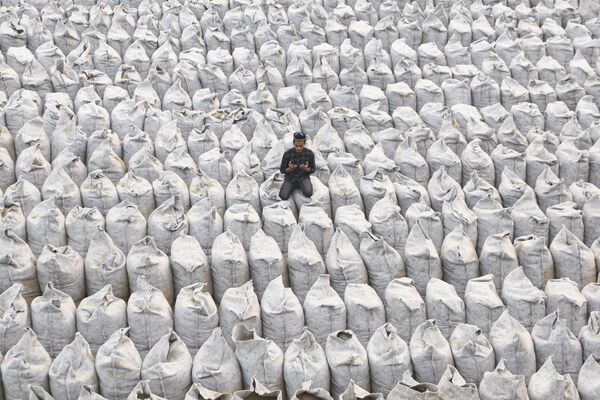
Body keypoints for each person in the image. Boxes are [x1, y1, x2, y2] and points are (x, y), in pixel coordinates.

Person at [279, 132, 316, 200]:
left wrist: (306, 169)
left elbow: (313, 169)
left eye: (301, 146)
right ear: (293, 143)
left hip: (303, 177)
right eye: (296, 146)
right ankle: (293, 185)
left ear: (304, 144)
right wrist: (290, 169)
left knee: (308, 193)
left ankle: (300, 185)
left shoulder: (309, 153)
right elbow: (282, 170)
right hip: (290, 178)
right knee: (283, 196)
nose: (298, 148)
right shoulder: (287, 154)